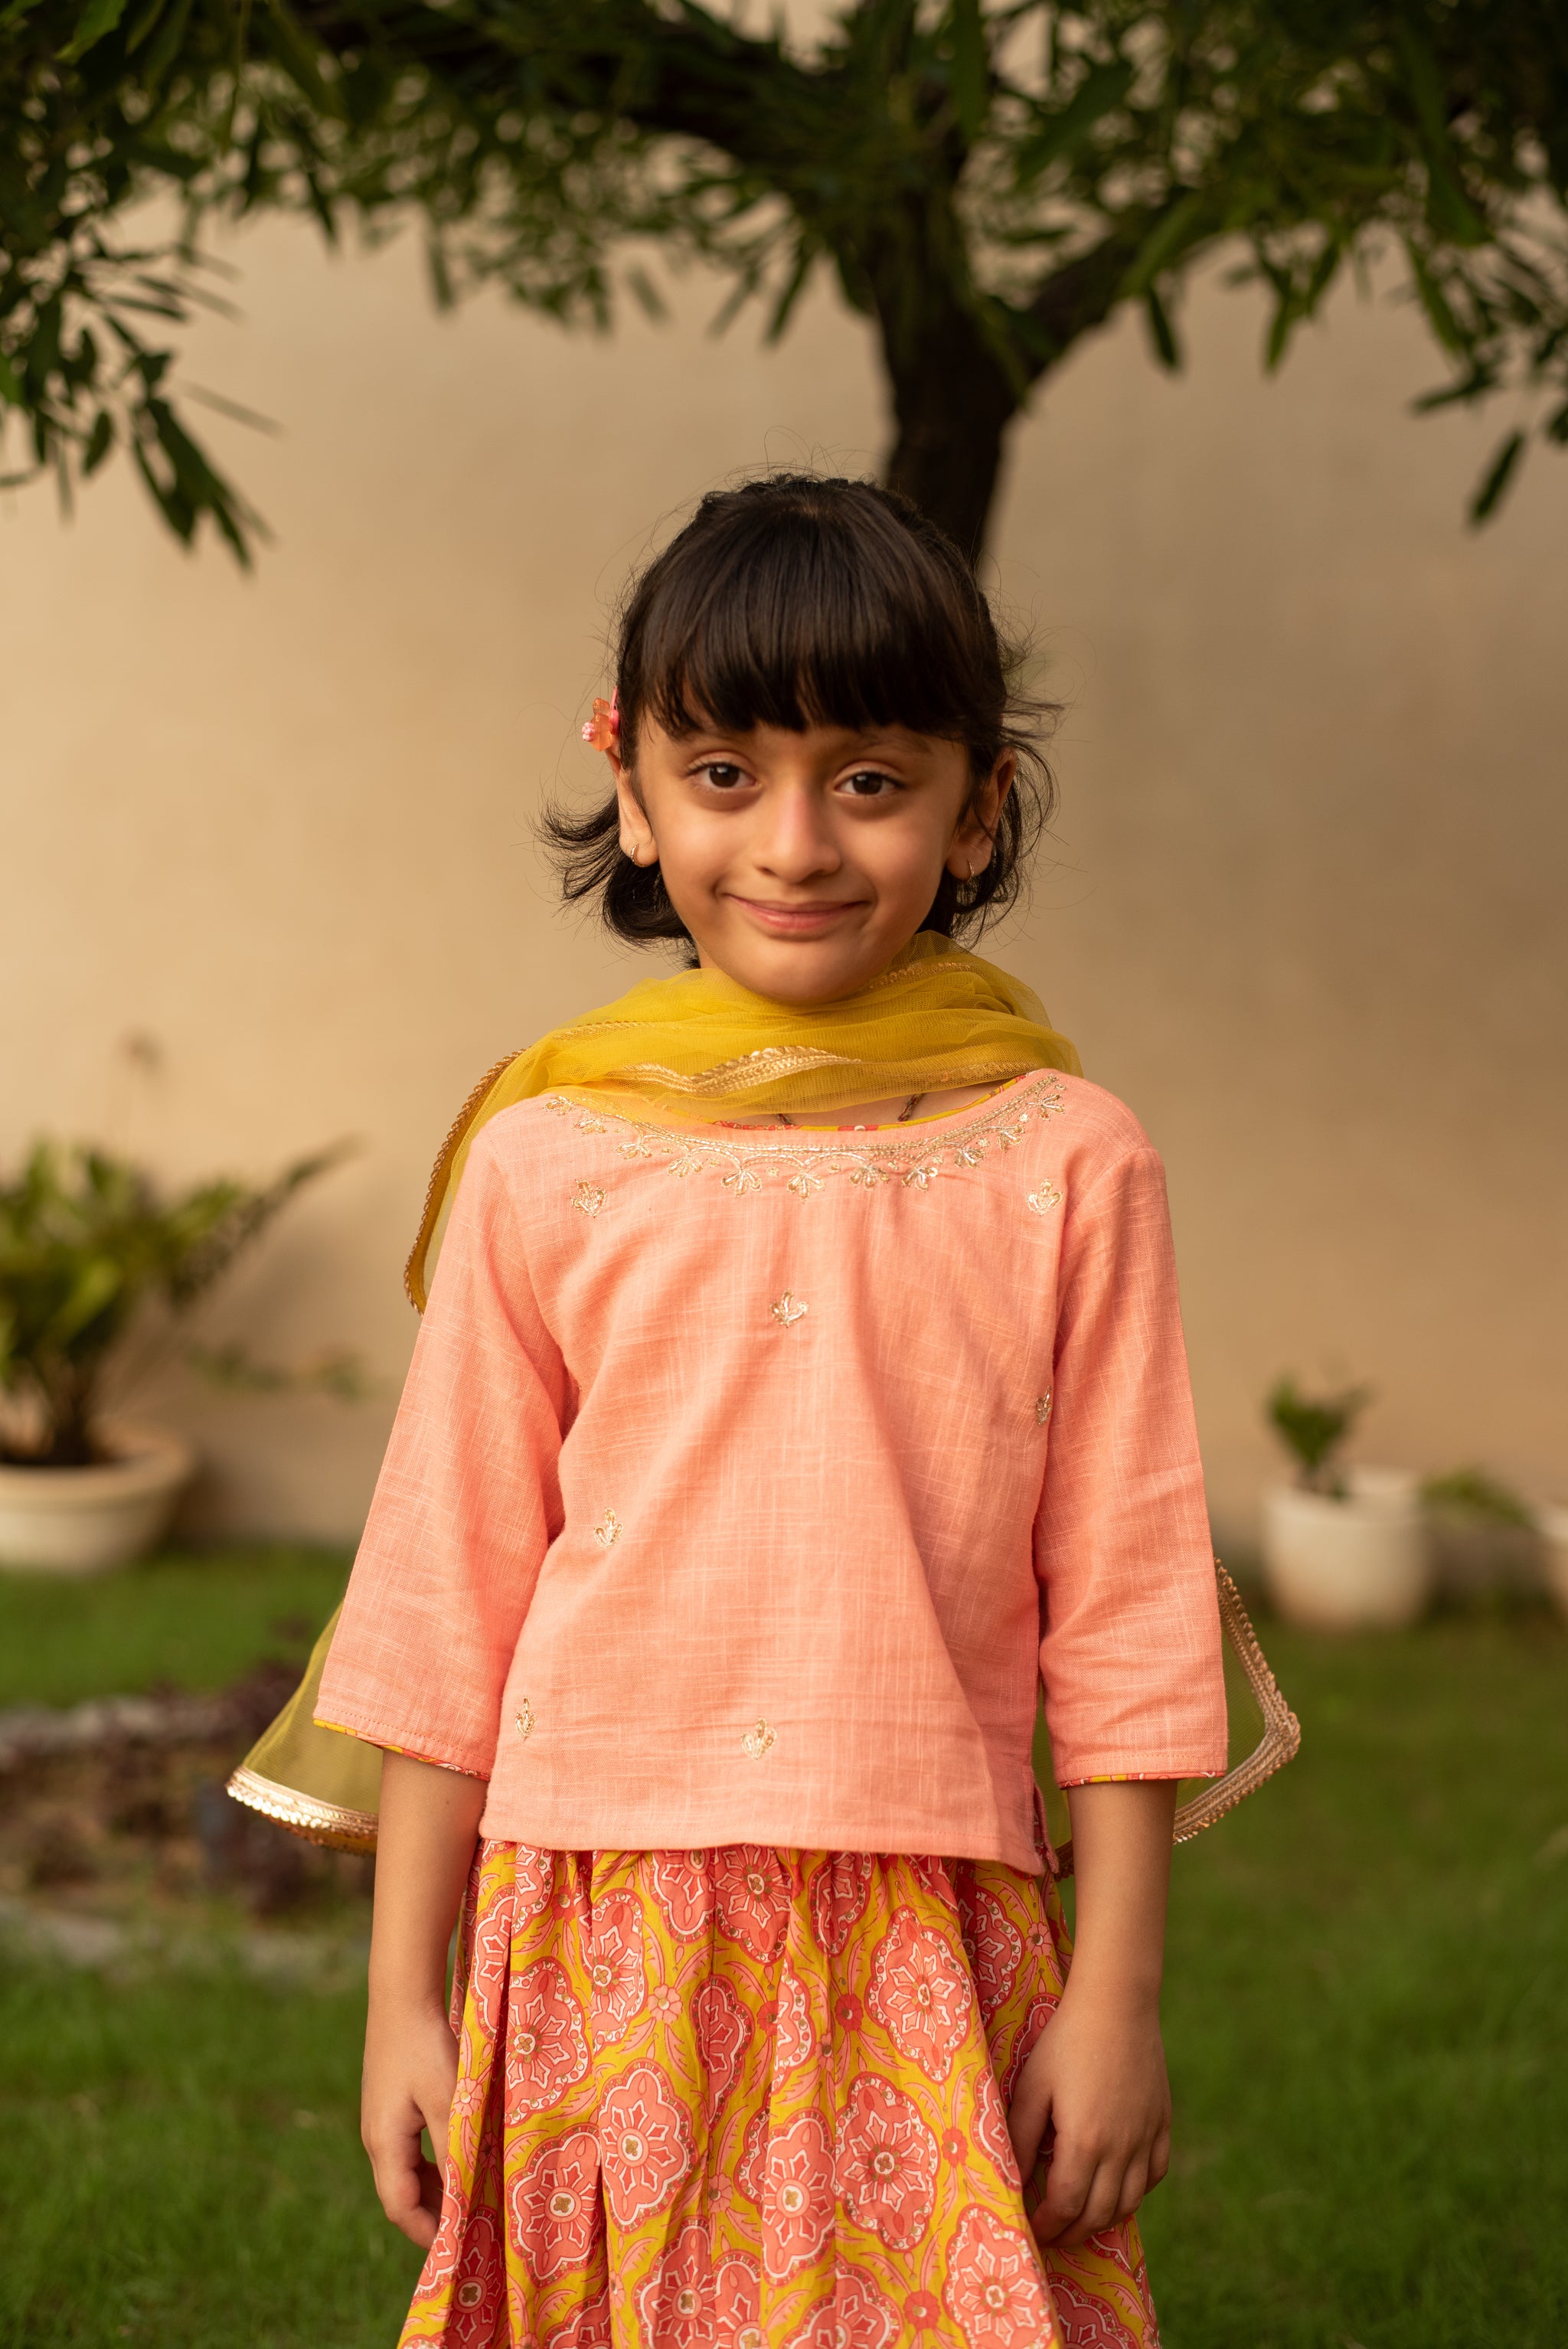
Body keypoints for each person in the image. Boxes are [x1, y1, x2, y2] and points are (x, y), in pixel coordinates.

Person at [317, 475, 1228, 2349]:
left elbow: (1130, 1604)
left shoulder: (1067, 1158)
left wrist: (1118, 1990)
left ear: (978, 803)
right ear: (635, 794)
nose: (796, 842)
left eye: (870, 778)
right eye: (726, 772)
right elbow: (443, 1596)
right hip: (596, 1916)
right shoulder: (547, 1161)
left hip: (934, 1915)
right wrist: (403, 1993)